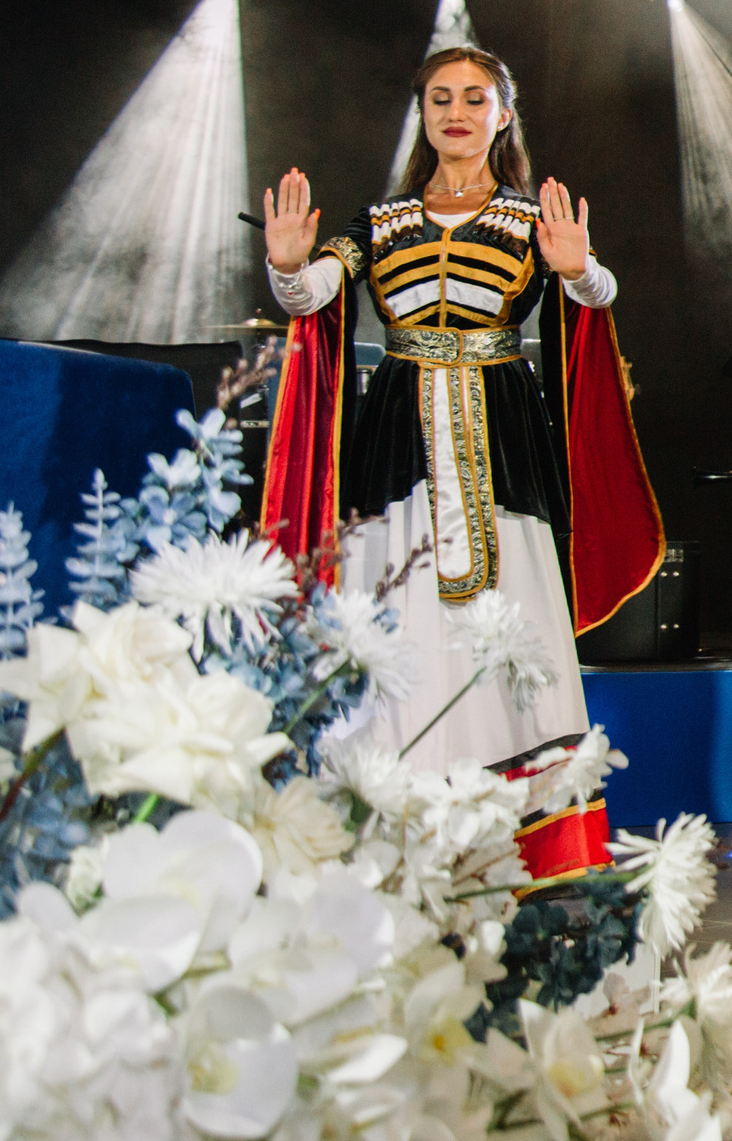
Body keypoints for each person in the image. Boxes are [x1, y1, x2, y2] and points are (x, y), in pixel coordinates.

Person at [259, 45, 663, 880]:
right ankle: (393, 834)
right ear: (424, 114)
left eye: (474, 98)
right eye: (440, 97)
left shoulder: (530, 221)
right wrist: (288, 263)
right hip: (397, 450)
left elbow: (599, 295)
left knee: (508, 622)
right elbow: (310, 298)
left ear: (501, 115)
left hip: (502, 444)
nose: (456, 111)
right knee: (399, 620)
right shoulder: (378, 225)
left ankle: (519, 840)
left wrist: (579, 268)